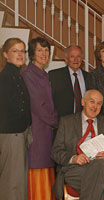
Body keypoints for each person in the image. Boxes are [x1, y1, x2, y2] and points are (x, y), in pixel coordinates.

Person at [51, 89, 104, 200]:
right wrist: (74, 158)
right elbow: (56, 152)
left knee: (101, 165)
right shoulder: (67, 122)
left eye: (99, 103)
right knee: (97, 180)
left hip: (102, 166)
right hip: (75, 169)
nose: (95, 106)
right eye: (92, 101)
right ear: (83, 102)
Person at [21, 37, 58, 200]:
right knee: (37, 169)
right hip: (37, 131)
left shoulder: (44, 74)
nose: (44, 54)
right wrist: (58, 122)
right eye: (40, 50)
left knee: (46, 167)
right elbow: (38, 105)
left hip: (46, 131)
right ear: (32, 54)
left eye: (46, 50)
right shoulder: (28, 75)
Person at [0, 37, 31, 200]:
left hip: (19, 134)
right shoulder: (4, 78)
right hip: (10, 134)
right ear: (5, 54)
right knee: (12, 182)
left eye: (22, 51)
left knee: (18, 181)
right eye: (15, 51)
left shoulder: (17, 76)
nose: (20, 54)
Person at [49, 45, 88, 118]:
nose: (76, 60)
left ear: (82, 59)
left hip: (84, 122)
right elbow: (50, 101)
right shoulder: (55, 76)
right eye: (72, 56)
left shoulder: (88, 76)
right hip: (62, 123)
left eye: (78, 56)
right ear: (66, 59)